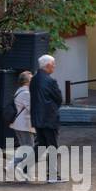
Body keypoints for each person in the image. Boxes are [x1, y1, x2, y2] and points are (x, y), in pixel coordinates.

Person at [30, 53, 62, 183]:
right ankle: (52, 174)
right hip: (49, 118)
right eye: (53, 65)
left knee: (40, 146)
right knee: (52, 146)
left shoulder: (34, 79)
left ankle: (23, 167)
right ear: (48, 66)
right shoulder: (50, 81)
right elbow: (59, 98)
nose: (54, 67)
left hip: (37, 119)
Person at [11, 70, 35, 182]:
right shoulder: (26, 93)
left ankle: (14, 168)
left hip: (18, 124)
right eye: (31, 79)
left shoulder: (19, 91)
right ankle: (13, 167)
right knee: (29, 149)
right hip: (24, 125)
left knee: (23, 148)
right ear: (27, 81)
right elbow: (31, 108)